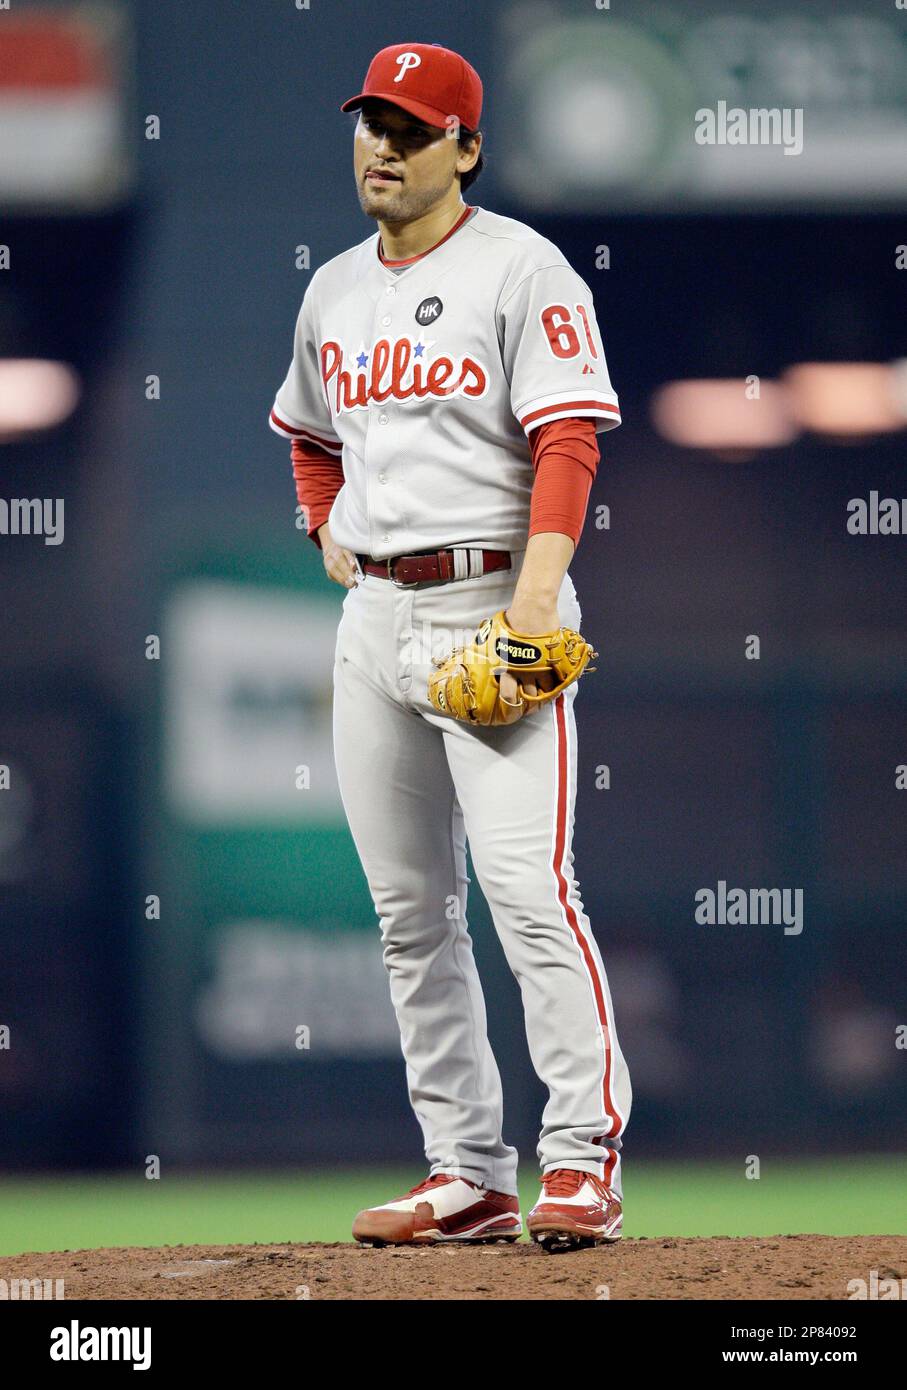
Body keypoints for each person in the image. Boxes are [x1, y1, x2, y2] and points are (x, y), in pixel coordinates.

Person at [268, 42, 631, 1251]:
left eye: (411, 128)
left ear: (464, 148)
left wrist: (535, 602)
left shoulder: (522, 269)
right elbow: (308, 432)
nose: (382, 144)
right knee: (410, 912)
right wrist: (323, 522)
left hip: (493, 601)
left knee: (529, 894)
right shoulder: (330, 289)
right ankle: (467, 1172)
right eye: (371, 120)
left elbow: (568, 436)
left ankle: (578, 1161)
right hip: (374, 623)